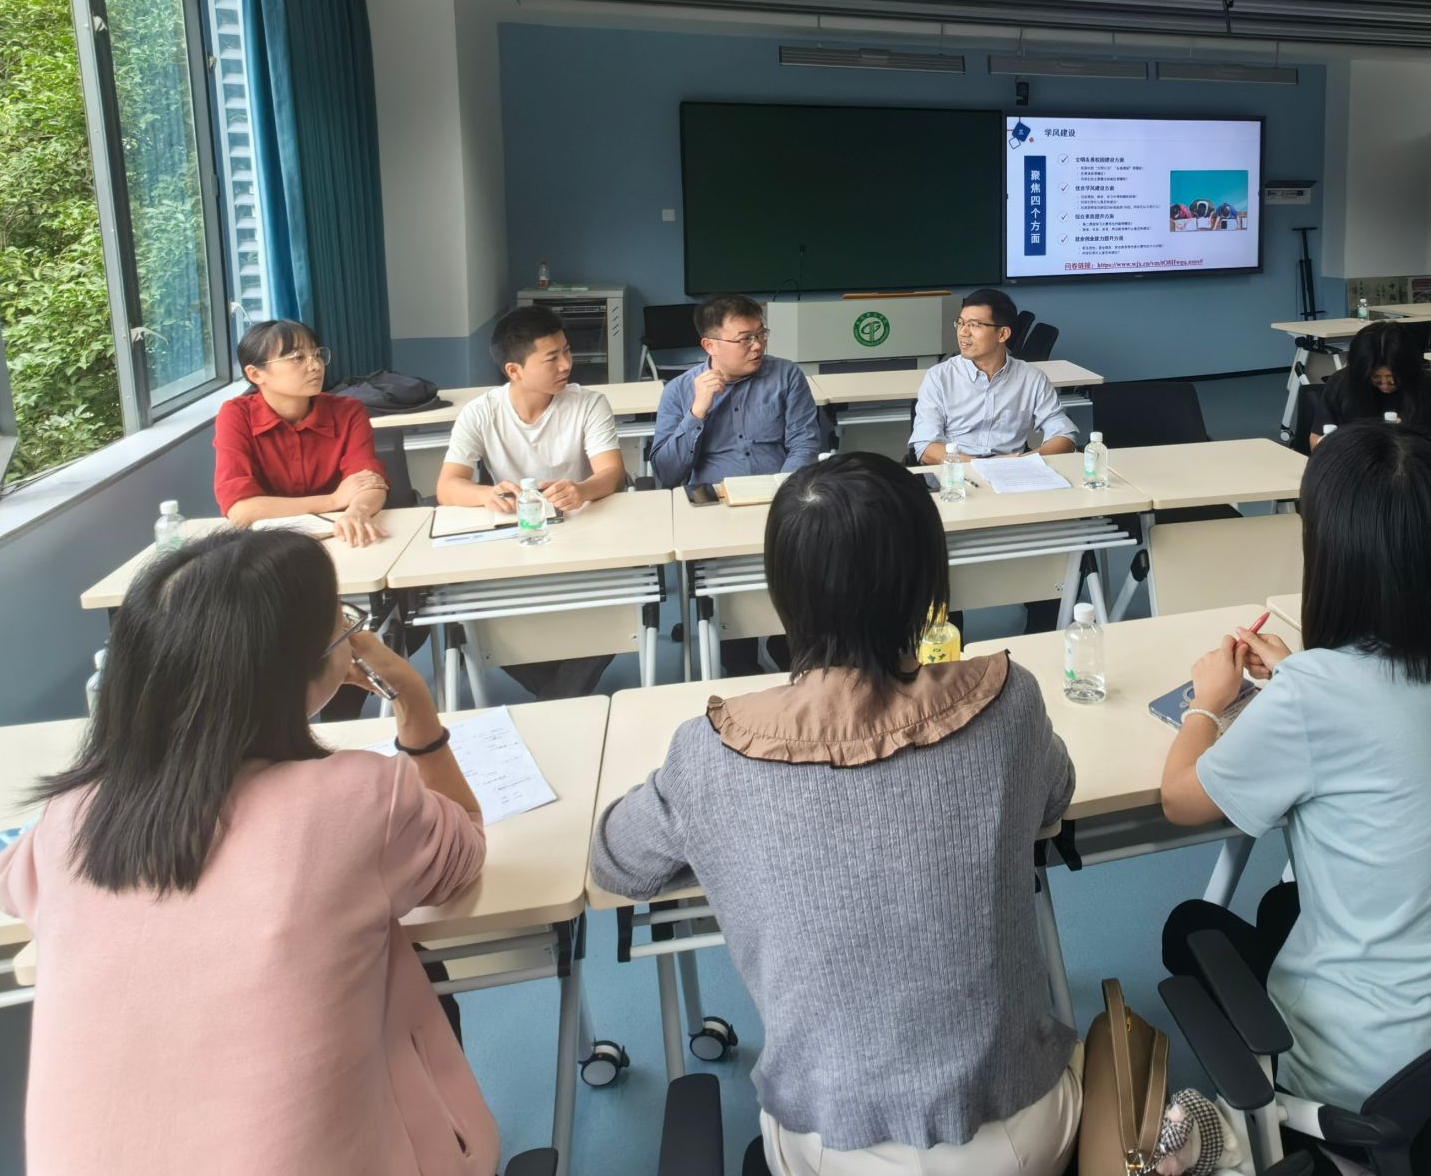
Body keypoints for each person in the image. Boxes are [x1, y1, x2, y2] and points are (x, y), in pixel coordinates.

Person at [592, 454, 1078, 1175]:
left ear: (781, 590)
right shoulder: (1010, 701)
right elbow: (1055, 795)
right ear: (928, 581)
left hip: (838, 1144)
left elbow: (615, 864)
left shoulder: (710, 753)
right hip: (1023, 1130)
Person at [0, 529, 494, 1175]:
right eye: (342, 624)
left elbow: (12, 884)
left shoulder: (68, 818)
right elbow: (464, 846)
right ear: (310, 667)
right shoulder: (363, 797)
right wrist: (415, 704)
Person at [1156, 423, 1431, 1112]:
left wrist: (1207, 703)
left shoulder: (1317, 694)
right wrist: (1304, 670)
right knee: (1282, 904)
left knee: (1191, 926)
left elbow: (1180, 799)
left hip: (1368, 1072)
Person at [437, 305, 627, 699]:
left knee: (619, 609)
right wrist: (486, 494)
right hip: (516, 542)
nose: (566, 364)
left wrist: (582, 490)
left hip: (584, 540)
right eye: (552, 357)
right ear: (514, 370)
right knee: (479, 622)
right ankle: (562, 697)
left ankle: (557, 698)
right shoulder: (481, 412)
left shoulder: (589, 403)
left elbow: (611, 474)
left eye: (567, 351)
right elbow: (448, 486)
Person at [212, 319, 388, 548]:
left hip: (341, 536)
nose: (315, 366)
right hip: (268, 545)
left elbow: (370, 482)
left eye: (316, 354)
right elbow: (242, 511)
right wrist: (333, 500)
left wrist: (357, 512)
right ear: (255, 374)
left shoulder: (348, 411)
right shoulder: (236, 414)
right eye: (298, 358)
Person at [651, 294, 822, 491]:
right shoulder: (678, 390)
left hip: (779, 491)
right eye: (745, 339)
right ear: (710, 346)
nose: (758, 345)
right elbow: (667, 474)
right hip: (714, 497)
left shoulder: (787, 375)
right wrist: (696, 412)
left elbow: (804, 444)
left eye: (761, 334)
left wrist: (784, 492)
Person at [911, 289, 1079, 463]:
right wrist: (984, 465)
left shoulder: (1031, 378)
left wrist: (1025, 461)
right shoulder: (939, 377)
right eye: (961, 323)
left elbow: (1064, 434)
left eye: (974, 325)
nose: (963, 332)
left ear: (1003, 334)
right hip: (958, 470)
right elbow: (926, 448)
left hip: (1015, 469)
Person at [1309, 319, 1431, 450]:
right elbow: (1316, 440)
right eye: (1375, 378)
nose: (1384, 385)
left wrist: (1412, 443)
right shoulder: (1341, 383)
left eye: (1392, 378)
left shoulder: (1427, 384)